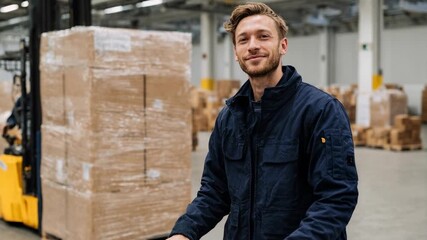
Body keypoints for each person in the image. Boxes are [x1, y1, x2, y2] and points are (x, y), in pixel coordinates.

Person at [168, 2, 358, 240]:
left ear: (283, 45)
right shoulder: (229, 117)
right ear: (236, 53)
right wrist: (184, 232)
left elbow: (336, 199)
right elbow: (215, 191)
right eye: (243, 40)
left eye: (263, 36)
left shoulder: (320, 111)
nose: (253, 46)